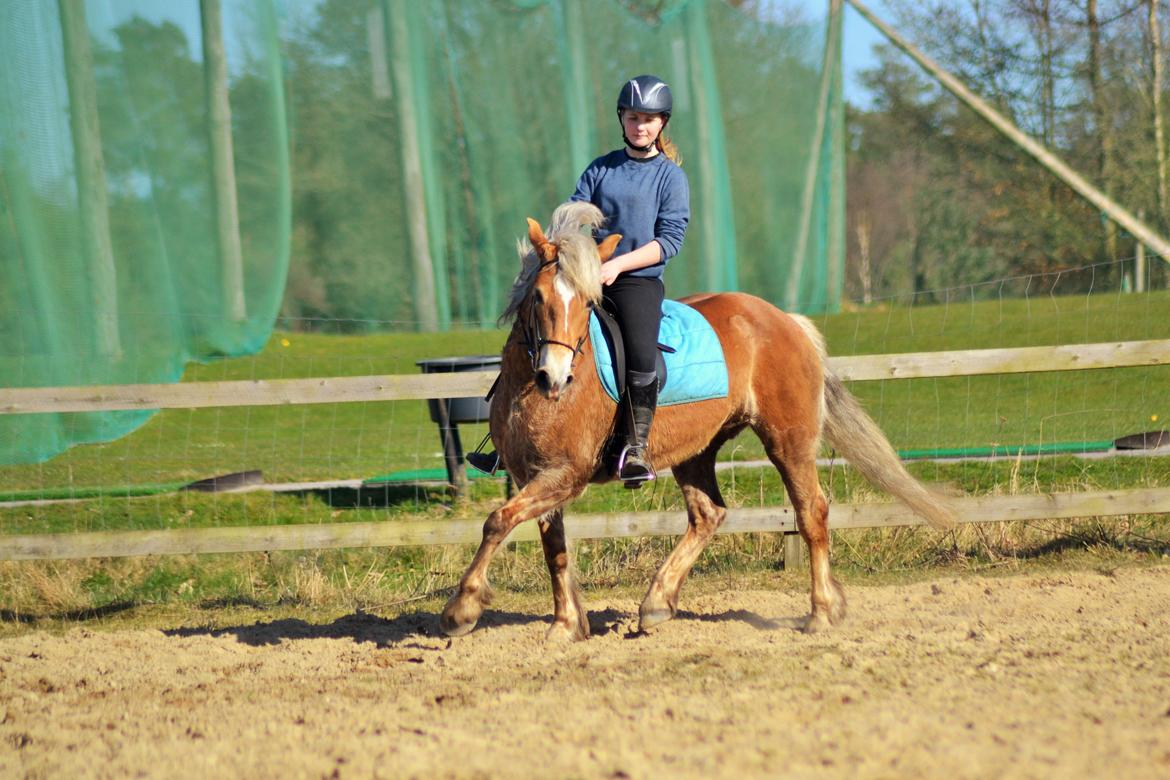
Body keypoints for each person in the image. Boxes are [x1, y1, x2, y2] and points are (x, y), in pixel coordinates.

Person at [468, 74, 689, 486]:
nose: (640, 126)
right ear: (621, 118)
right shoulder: (601, 168)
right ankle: (501, 438)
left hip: (636, 280)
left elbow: (669, 240)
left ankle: (636, 448)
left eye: (649, 119)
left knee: (640, 353)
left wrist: (618, 266)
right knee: (533, 330)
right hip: (585, 277)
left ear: (662, 124)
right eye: (633, 117)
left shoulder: (669, 177)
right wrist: (562, 253)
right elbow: (571, 215)